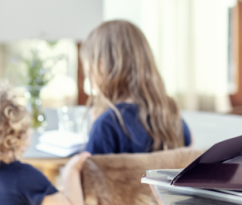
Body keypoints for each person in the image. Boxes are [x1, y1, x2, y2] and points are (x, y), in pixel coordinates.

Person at [81, 19, 191, 155]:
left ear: (101, 66)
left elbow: (89, 173)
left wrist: (95, 126)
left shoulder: (106, 125)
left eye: (88, 70)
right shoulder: (173, 118)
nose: (88, 77)